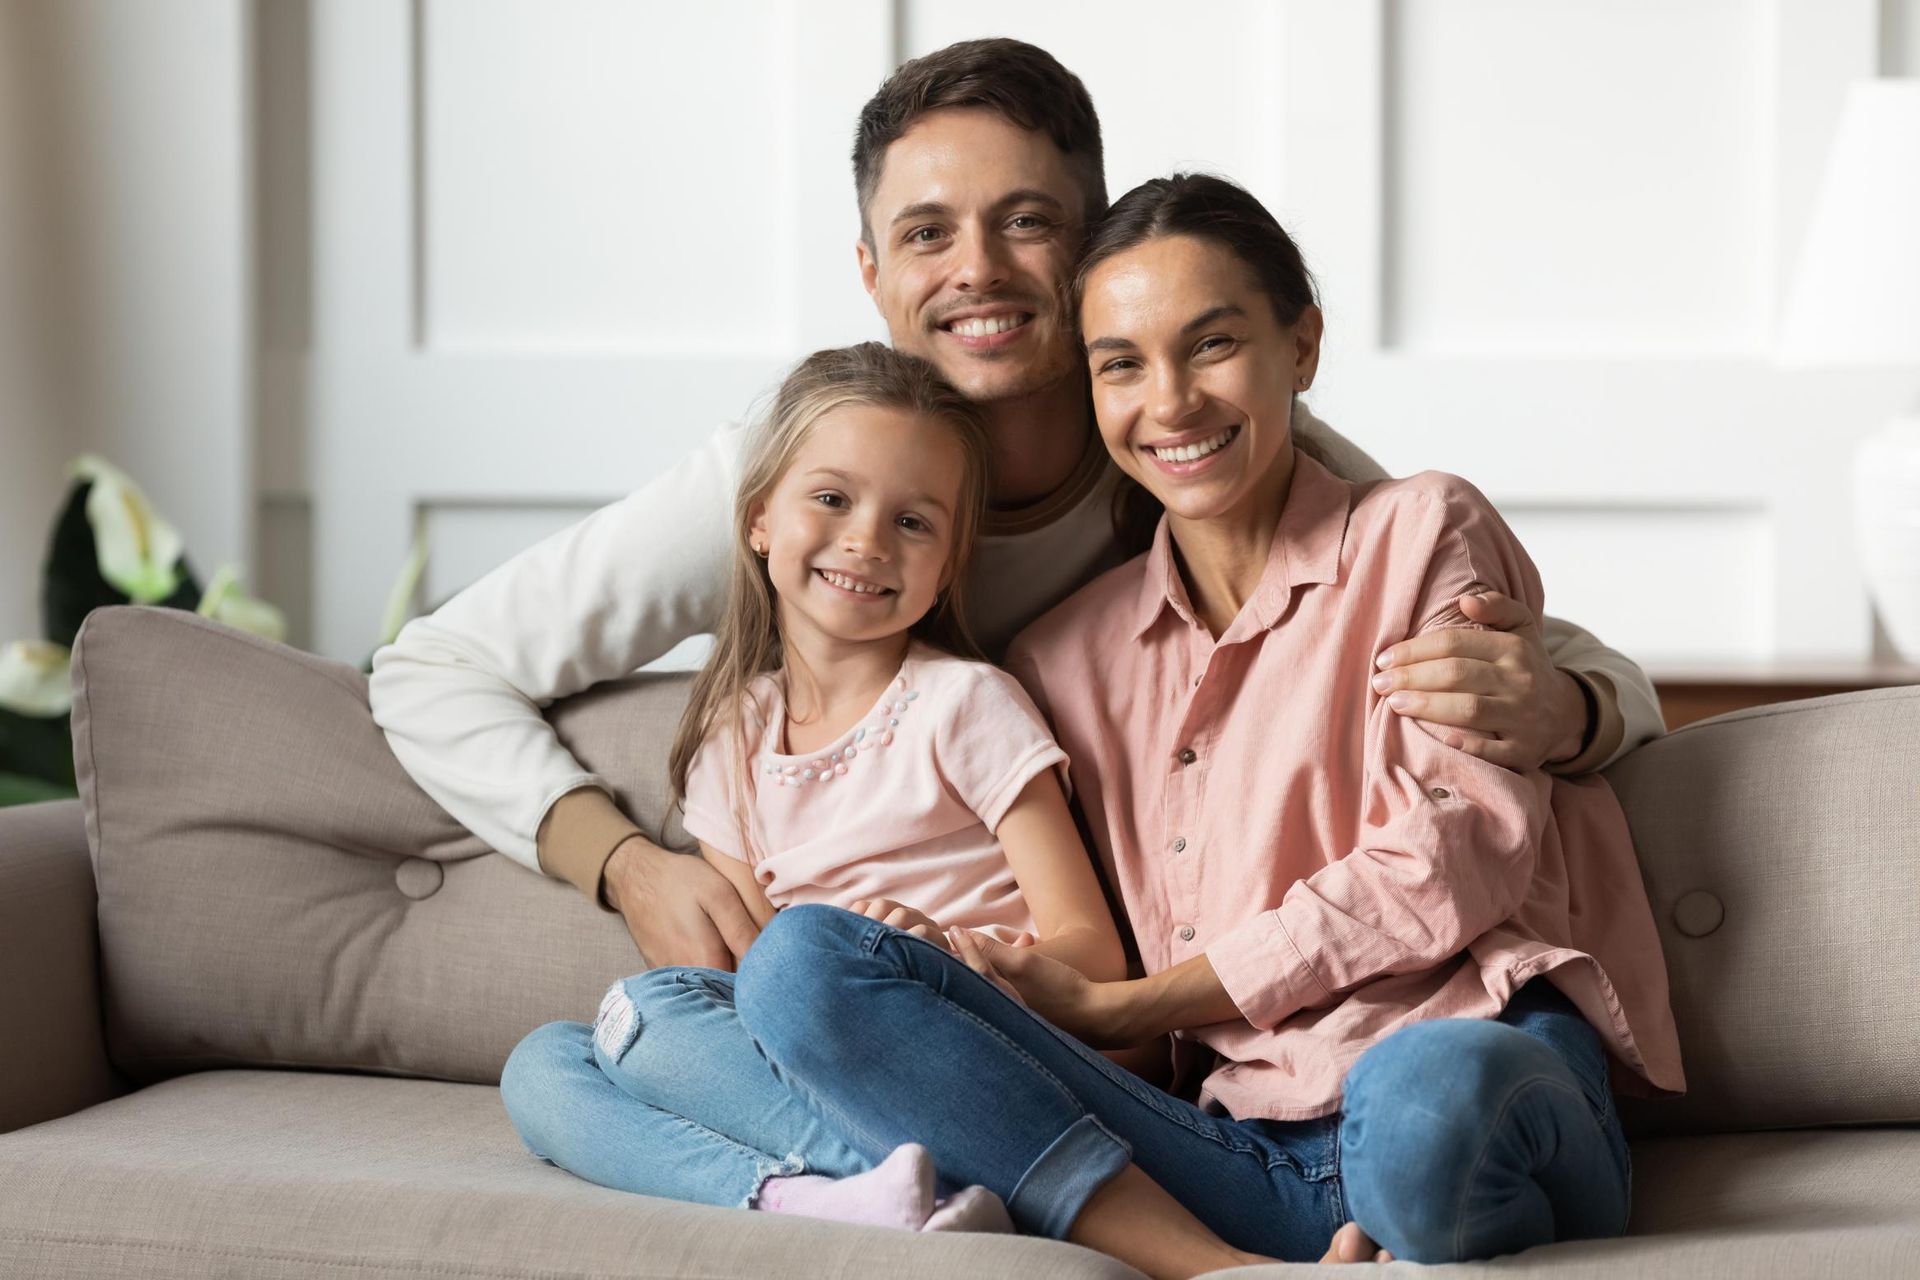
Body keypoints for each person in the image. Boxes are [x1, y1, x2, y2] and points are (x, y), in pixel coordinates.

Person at [367, 40, 1666, 974]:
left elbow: (1579, 664)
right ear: (871, 275)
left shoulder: (1203, 445)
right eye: (927, 234)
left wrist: (1563, 707)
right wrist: (625, 864)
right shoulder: (790, 485)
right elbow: (433, 667)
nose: (976, 270)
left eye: (1026, 221)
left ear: (1098, 250)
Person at [721, 175, 1685, 1278]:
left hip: (1464, 1066)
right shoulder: (1060, 659)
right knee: (800, 965)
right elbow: (1098, 1003)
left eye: (1212, 344)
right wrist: (985, 975)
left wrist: (1130, 999)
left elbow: (1449, 864)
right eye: (1121, 363)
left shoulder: (1421, 530)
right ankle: (1254, 1265)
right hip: (1235, 1156)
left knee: (1423, 1103)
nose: (1169, 401)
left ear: (1302, 347)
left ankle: (1410, 1207)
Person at [499, 343, 1128, 1233]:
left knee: (644, 1013)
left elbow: (1096, 954)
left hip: (965, 1051)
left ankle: (900, 1177)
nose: (866, 541)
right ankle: (834, 1197)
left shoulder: (964, 704)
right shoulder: (736, 734)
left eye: (914, 522)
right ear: (760, 520)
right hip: (811, 1060)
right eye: (831, 499)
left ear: (949, 563)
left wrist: (951, 954)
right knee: (551, 1060)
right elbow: (740, 980)